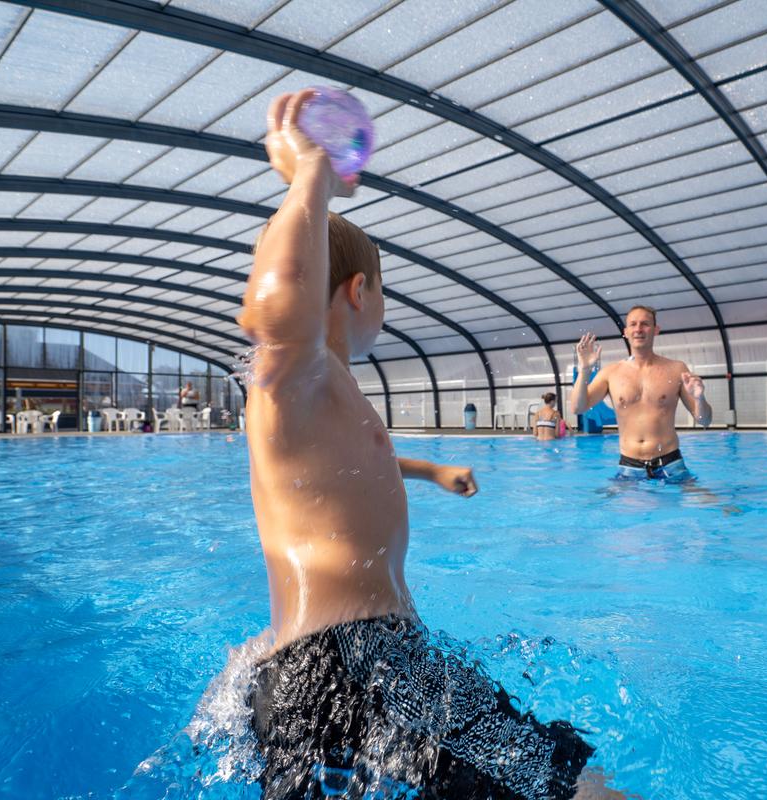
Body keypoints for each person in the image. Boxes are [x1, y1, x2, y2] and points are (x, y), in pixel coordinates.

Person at [237, 90, 613, 800]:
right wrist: (311, 173)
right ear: (357, 291)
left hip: (310, 671)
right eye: (384, 292)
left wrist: (429, 469)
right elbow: (275, 311)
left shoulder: (320, 397)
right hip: (363, 660)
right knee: (584, 792)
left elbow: (338, 481)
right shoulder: (298, 372)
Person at [571, 307, 711, 481]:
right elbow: (577, 407)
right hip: (629, 466)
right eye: (633, 324)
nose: (638, 329)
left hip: (670, 463)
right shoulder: (611, 372)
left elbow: (704, 420)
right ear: (626, 332)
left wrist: (700, 398)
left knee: (712, 504)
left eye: (645, 324)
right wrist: (584, 370)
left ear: (655, 329)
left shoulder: (676, 369)